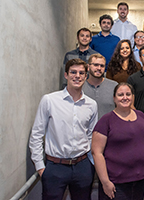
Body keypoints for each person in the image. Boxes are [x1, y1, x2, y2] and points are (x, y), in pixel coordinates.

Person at [29, 58, 98, 200]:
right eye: (73, 72)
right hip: (55, 166)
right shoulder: (49, 100)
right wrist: (40, 167)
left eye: (81, 73)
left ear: (86, 76)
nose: (77, 76)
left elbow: (91, 135)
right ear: (66, 75)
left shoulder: (91, 105)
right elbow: (36, 134)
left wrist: (91, 164)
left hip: (83, 166)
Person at [91, 82, 144, 200]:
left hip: (139, 180)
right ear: (114, 98)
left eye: (128, 94)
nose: (125, 97)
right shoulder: (106, 120)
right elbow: (96, 152)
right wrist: (105, 182)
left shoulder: (141, 116)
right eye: (120, 95)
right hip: (115, 182)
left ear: (132, 97)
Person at [82, 54, 118, 119]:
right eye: (95, 65)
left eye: (102, 66)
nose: (99, 68)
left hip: (109, 128)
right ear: (88, 67)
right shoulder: (80, 87)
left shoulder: (114, 86)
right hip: (86, 128)